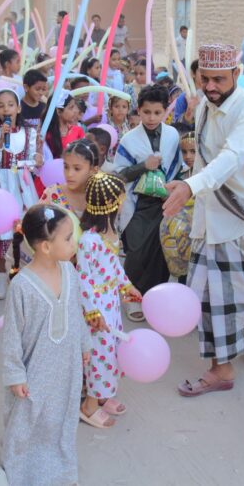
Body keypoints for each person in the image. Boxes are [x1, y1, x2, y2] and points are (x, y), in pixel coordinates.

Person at [163, 43, 244, 395]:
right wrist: (187, 187)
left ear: (236, 75)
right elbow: (204, 161)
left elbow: (231, 159)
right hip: (211, 214)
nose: (211, 87)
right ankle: (221, 370)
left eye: (219, 79)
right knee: (214, 297)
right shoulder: (204, 109)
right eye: (205, 79)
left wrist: (190, 186)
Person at [2, 204, 91, 486]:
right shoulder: (22, 286)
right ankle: (24, 474)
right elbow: (12, 335)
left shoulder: (70, 273)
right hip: (35, 373)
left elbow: (76, 313)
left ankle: (61, 473)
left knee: (61, 420)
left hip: (66, 367)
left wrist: (84, 345)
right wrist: (15, 374)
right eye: (67, 238)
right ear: (45, 247)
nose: (74, 242)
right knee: (29, 422)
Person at [77, 173, 142, 429]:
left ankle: (103, 396)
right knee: (100, 355)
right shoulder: (89, 241)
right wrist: (92, 312)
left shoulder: (110, 235)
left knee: (112, 353)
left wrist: (126, 286)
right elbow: (83, 279)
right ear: (114, 203)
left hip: (111, 304)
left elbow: (114, 266)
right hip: (97, 311)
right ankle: (89, 406)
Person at [113, 84, 181, 320]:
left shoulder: (172, 135)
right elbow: (119, 174)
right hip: (138, 204)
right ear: (138, 111)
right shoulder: (129, 140)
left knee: (161, 252)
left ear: (165, 112)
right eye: (146, 112)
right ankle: (132, 298)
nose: (151, 118)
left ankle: (154, 297)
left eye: (157, 113)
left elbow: (178, 168)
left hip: (166, 202)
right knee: (137, 251)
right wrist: (144, 166)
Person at [0, 83, 43, 299]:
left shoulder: (29, 132)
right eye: (1, 106)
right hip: (3, 185)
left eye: (10, 104)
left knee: (26, 230)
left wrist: (37, 159)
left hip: (23, 187)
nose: (6, 109)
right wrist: (0, 141)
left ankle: (23, 274)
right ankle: (0, 272)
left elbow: (36, 160)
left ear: (18, 108)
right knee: (2, 231)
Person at [160, 131, 198, 283]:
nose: (188, 156)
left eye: (193, 151)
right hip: (178, 241)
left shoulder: (207, 178)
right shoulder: (180, 176)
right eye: (184, 152)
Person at [43, 92, 85, 160]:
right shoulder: (46, 134)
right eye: (71, 108)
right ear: (59, 111)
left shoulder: (78, 130)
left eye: (75, 107)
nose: (76, 111)